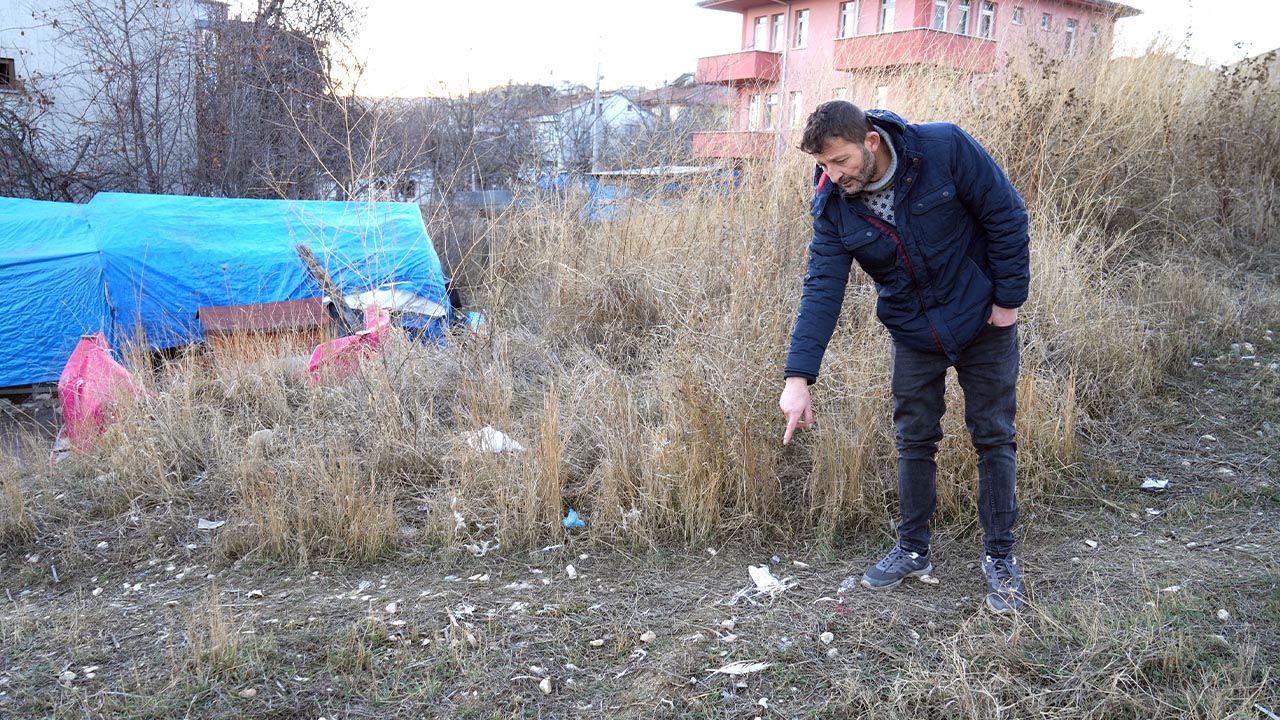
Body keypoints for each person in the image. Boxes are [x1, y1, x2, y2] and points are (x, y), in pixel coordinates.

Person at [778, 100, 1030, 614]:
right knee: (914, 439)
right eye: (824, 165)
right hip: (914, 330)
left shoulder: (943, 148)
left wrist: (1007, 302)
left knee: (994, 435)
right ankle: (914, 548)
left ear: (870, 142)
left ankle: (1000, 558)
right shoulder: (832, 203)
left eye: (841, 161)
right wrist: (798, 377)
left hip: (984, 318)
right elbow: (821, 288)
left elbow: (1006, 215)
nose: (832, 175)